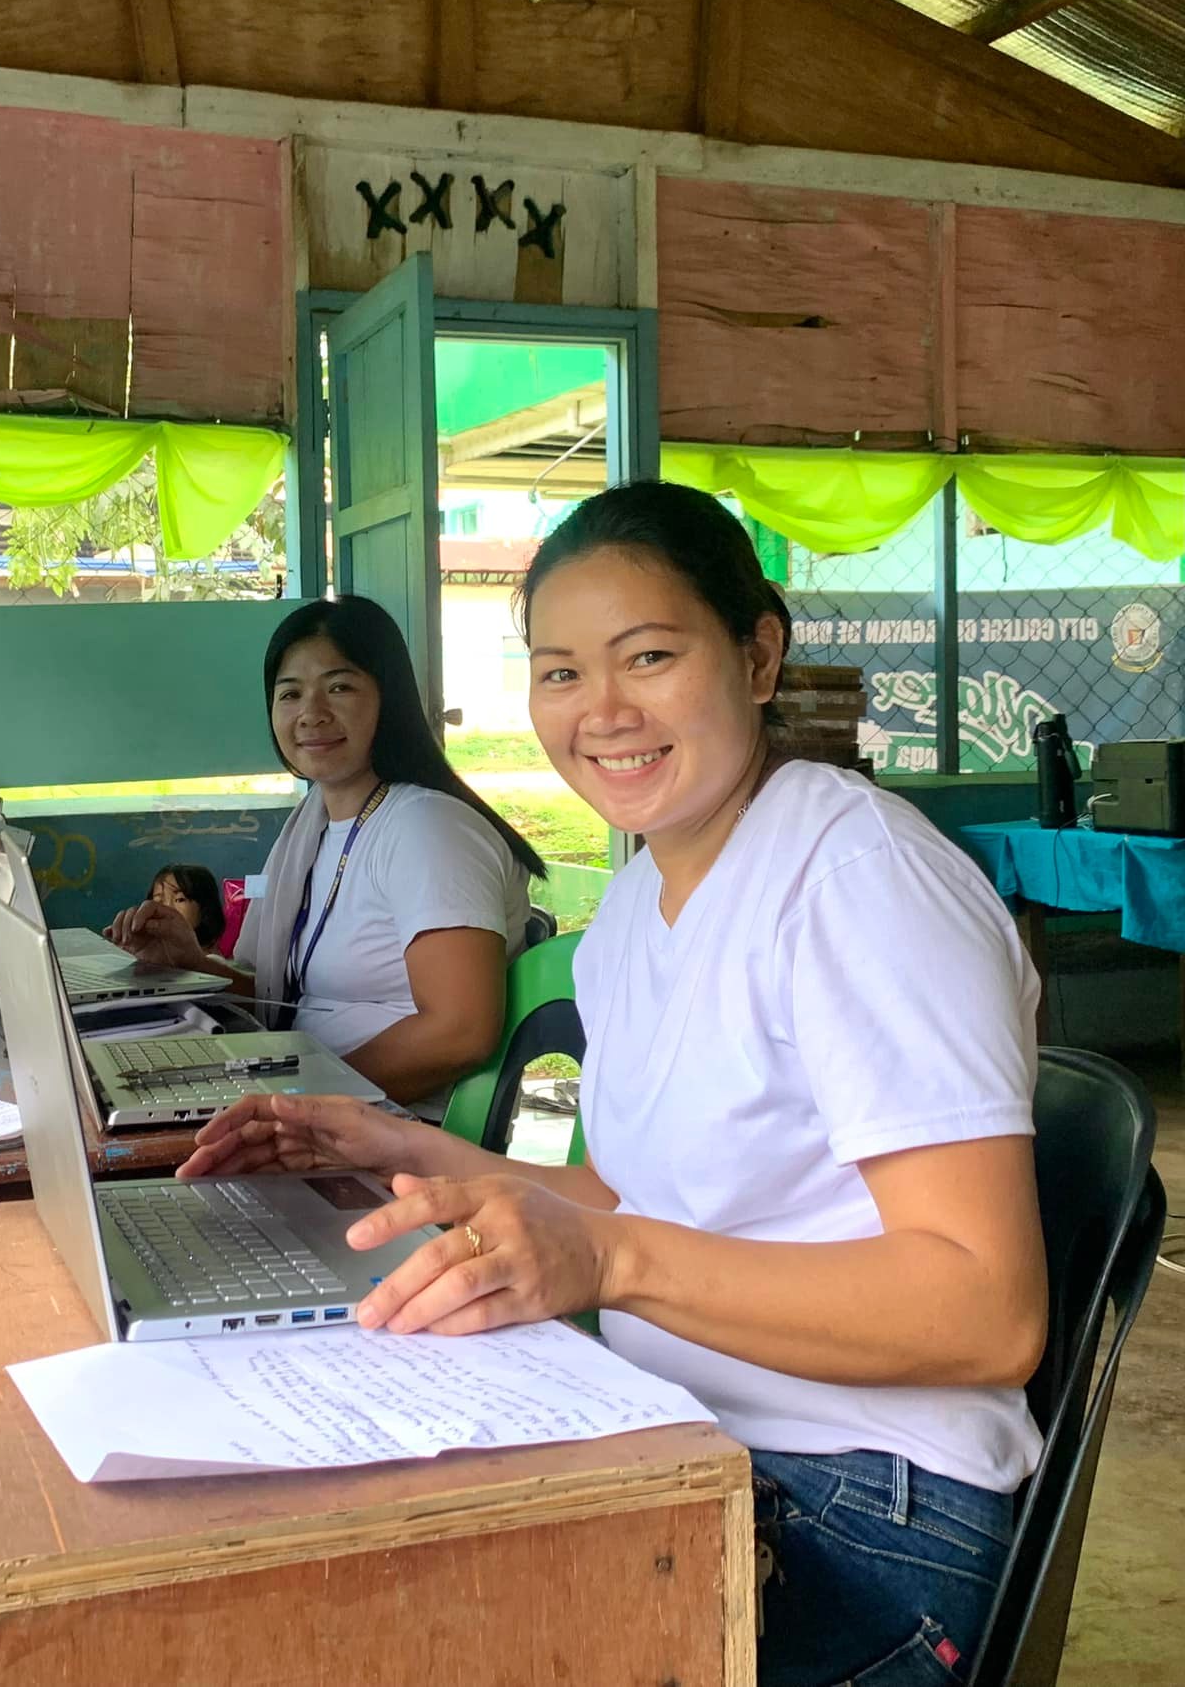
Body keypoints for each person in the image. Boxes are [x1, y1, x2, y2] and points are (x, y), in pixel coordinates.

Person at [179, 483, 1046, 1687]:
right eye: (559, 672)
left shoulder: (854, 878)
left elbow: (983, 1307)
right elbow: (621, 1187)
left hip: (864, 1505)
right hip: (681, 1433)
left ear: (755, 654)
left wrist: (612, 1262)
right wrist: (385, 1144)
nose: (603, 712)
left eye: (647, 655)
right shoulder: (636, 900)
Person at [110, 595, 545, 1109]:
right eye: (289, 694)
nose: (311, 715)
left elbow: (459, 1031)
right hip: (323, 1102)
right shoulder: (314, 825)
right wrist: (194, 965)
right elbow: (298, 999)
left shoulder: (429, 828)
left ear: (391, 700)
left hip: (399, 1132)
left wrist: (295, 1099)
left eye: (339, 687)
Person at [144, 862, 226, 952]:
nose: (168, 908)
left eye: (180, 899)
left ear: (205, 907)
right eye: (159, 900)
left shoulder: (211, 962)